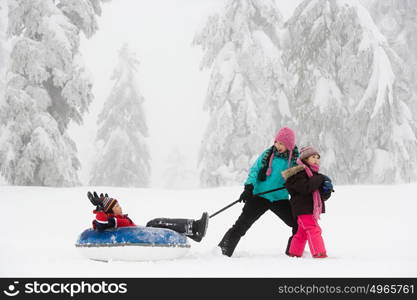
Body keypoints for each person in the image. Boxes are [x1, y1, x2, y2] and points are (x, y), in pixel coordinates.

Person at [218, 127, 300, 257]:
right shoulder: (268, 155)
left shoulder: (296, 161)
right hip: (259, 196)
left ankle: (294, 252)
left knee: (298, 224)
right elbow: (255, 170)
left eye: (281, 143)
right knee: (241, 225)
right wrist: (249, 187)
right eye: (276, 142)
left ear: (289, 145)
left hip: (280, 198)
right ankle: (222, 251)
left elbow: (302, 176)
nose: (277, 146)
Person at [88, 191, 209, 242]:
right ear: (110, 211)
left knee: (154, 222)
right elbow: (100, 224)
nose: (120, 207)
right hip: (139, 235)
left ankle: (193, 231)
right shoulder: (112, 221)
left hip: (139, 231)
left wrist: (105, 207)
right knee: (154, 223)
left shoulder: (118, 218)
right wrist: (100, 210)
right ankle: (195, 227)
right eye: (117, 206)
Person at [281, 146, 334, 258]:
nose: (316, 159)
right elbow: (306, 188)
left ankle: (294, 252)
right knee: (313, 229)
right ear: (305, 159)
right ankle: (319, 253)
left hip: (309, 208)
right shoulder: (298, 173)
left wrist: (327, 190)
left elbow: (319, 196)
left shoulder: (314, 175)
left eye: (317, 157)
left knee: (302, 233)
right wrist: (320, 178)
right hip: (303, 208)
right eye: (312, 157)